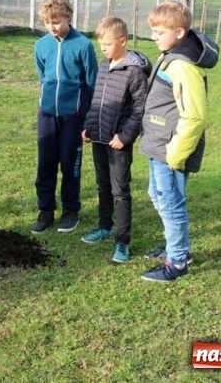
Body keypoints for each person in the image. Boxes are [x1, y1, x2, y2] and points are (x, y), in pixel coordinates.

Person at [139, 0, 218, 282]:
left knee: (171, 204)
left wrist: (175, 154)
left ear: (180, 33)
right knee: (156, 196)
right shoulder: (170, 54)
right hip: (158, 144)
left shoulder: (183, 67)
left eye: (159, 32)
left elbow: (194, 117)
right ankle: (174, 247)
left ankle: (178, 261)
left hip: (170, 151)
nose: (154, 37)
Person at [80, 17, 150, 263]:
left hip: (118, 142)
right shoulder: (103, 65)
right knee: (103, 185)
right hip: (98, 138)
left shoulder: (134, 72)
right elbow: (97, 101)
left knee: (120, 191)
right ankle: (104, 226)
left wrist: (125, 136)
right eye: (101, 44)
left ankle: (122, 241)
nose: (104, 48)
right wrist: (88, 127)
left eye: (108, 44)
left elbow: (140, 109)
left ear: (122, 41)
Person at [32, 0, 98, 235]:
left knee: (70, 164)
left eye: (56, 21)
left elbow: (91, 82)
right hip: (48, 114)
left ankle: (71, 210)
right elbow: (43, 77)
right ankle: (46, 209)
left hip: (74, 116)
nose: (52, 27)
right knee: (45, 164)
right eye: (48, 23)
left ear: (68, 17)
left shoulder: (83, 45)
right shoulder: (41, 45)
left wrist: (89, 118)